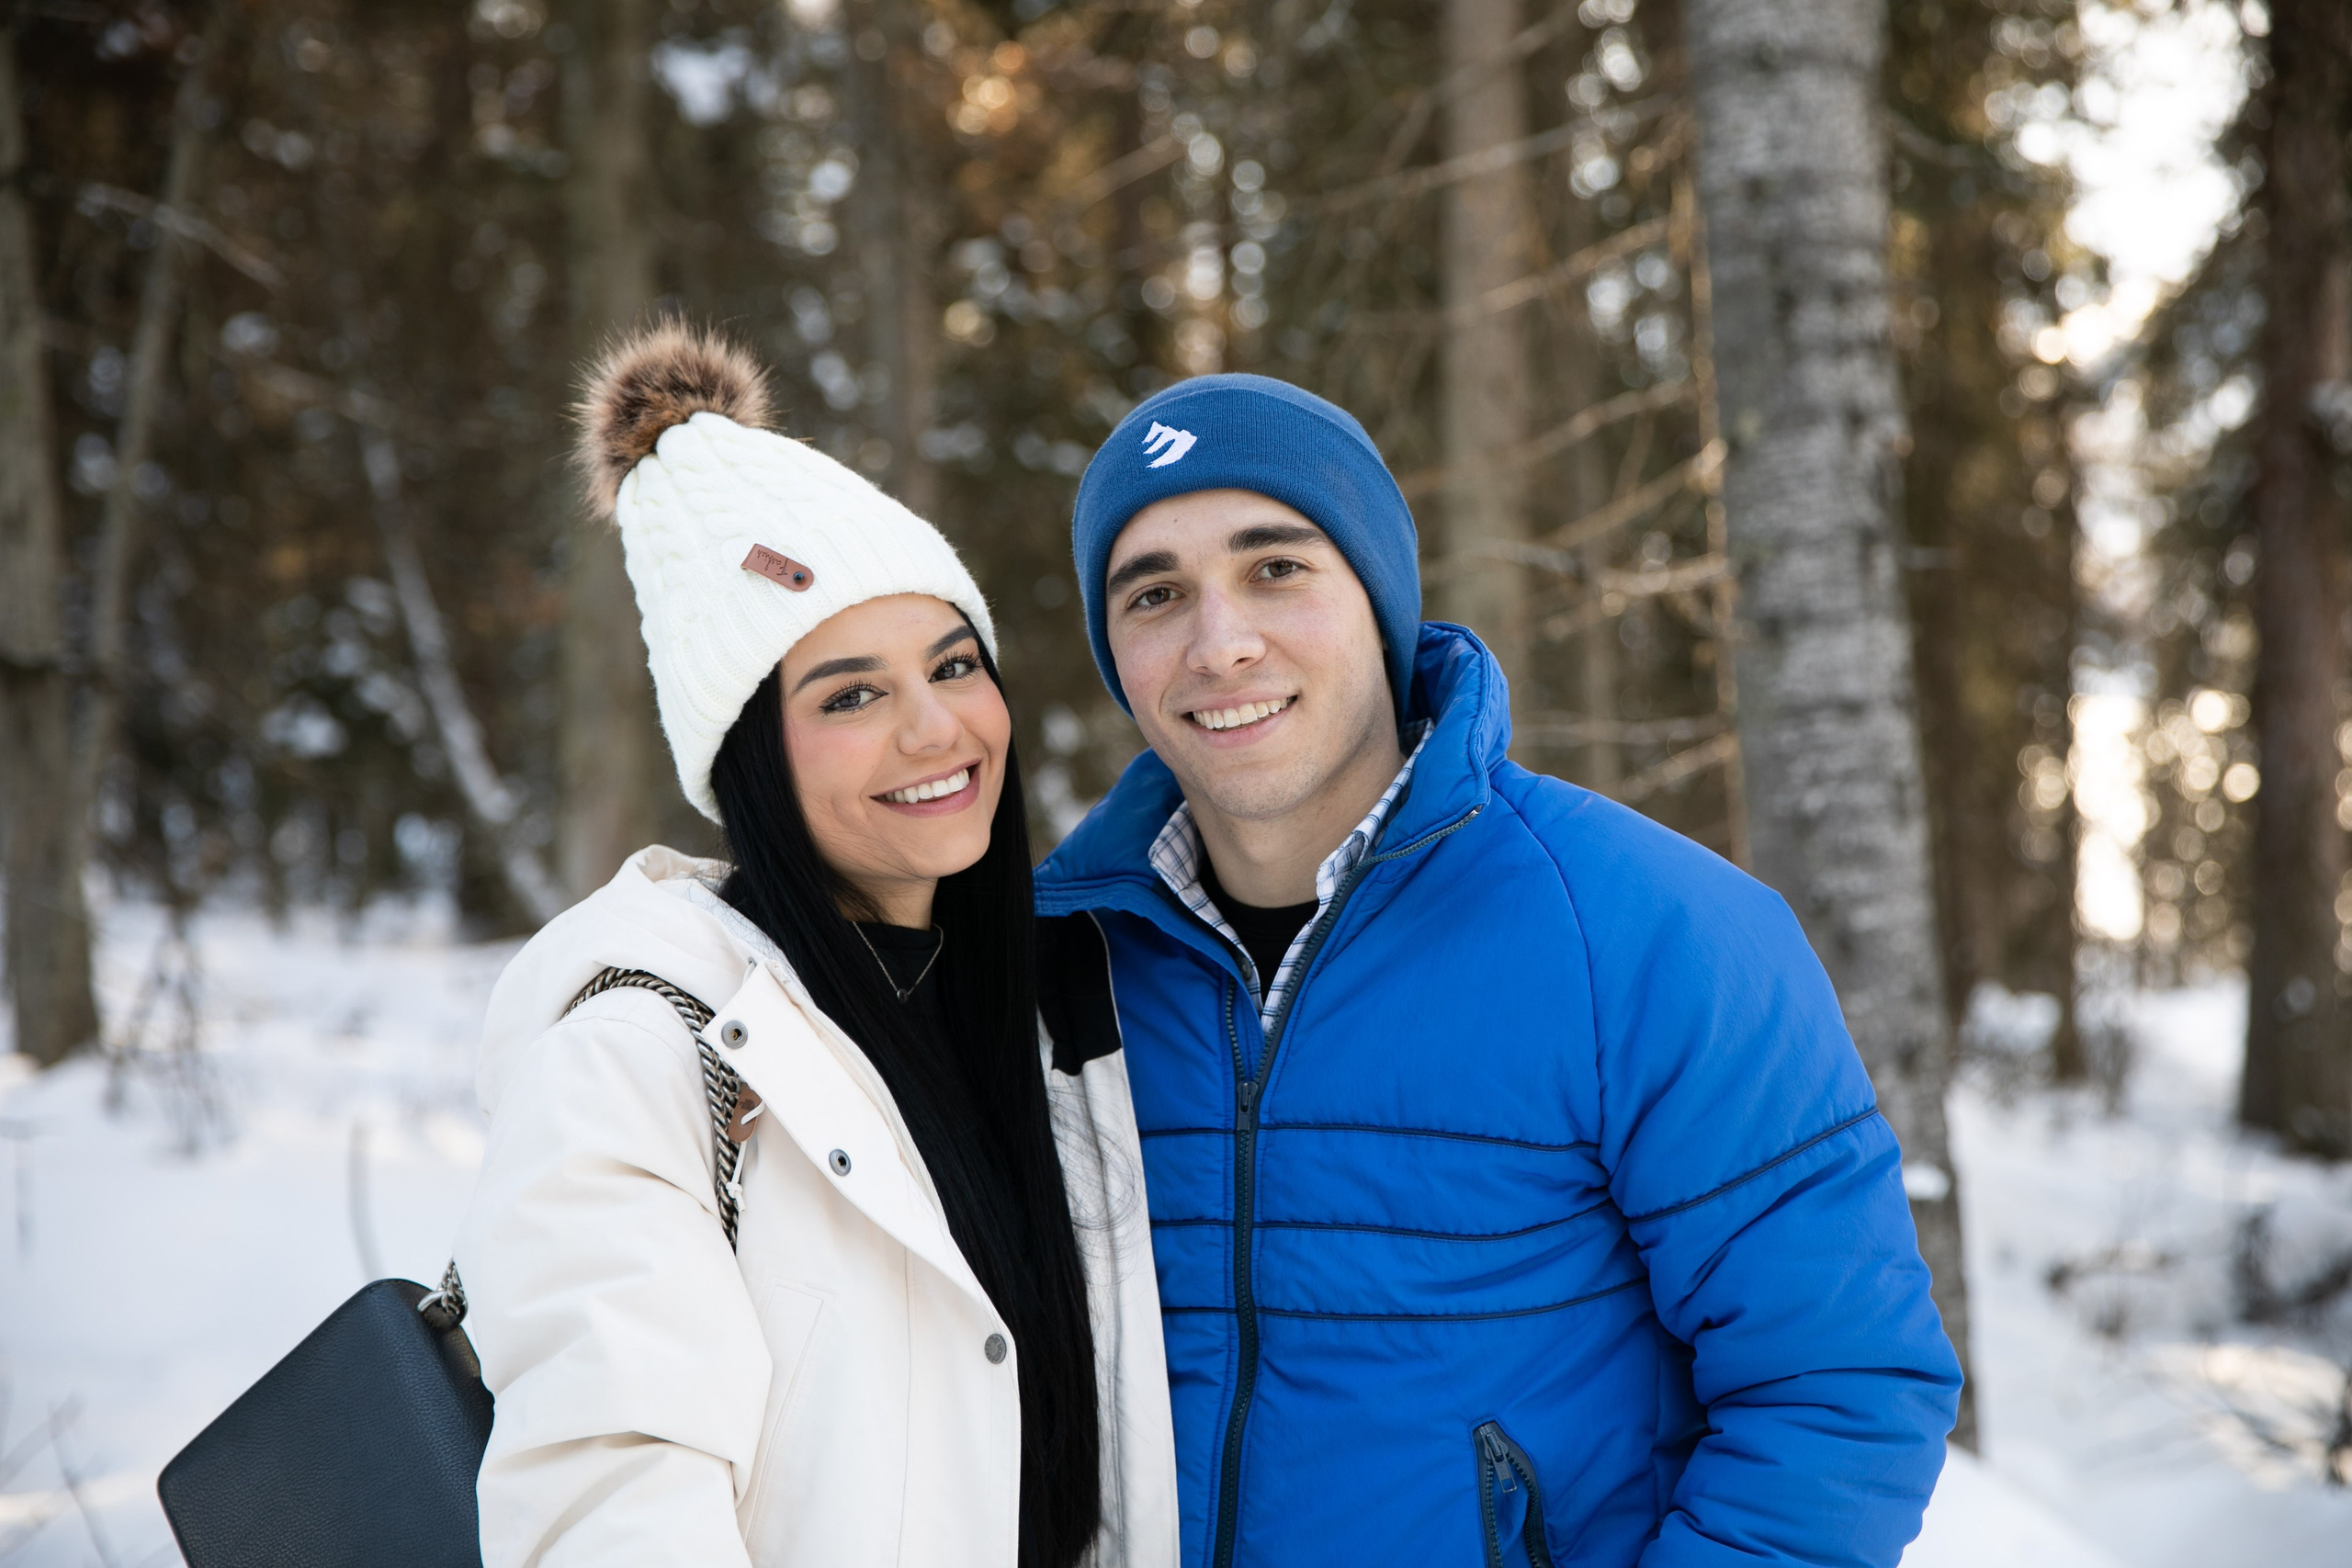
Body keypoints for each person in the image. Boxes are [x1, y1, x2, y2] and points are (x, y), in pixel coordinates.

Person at [1034, 374, 1964, 1568]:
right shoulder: (1053, 968)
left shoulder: (1652, 930)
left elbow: (1838, 1388)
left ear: (1379, 601)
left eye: (1276, 568)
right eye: (1155, 593)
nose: (1221, 644)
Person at [452, 322, 1176, 1568]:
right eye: (851, 695)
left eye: (954, 664)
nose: (935, 729)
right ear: (749, 759)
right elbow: (606, 1506)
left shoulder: (1053, 1022)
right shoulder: (635, 1057)